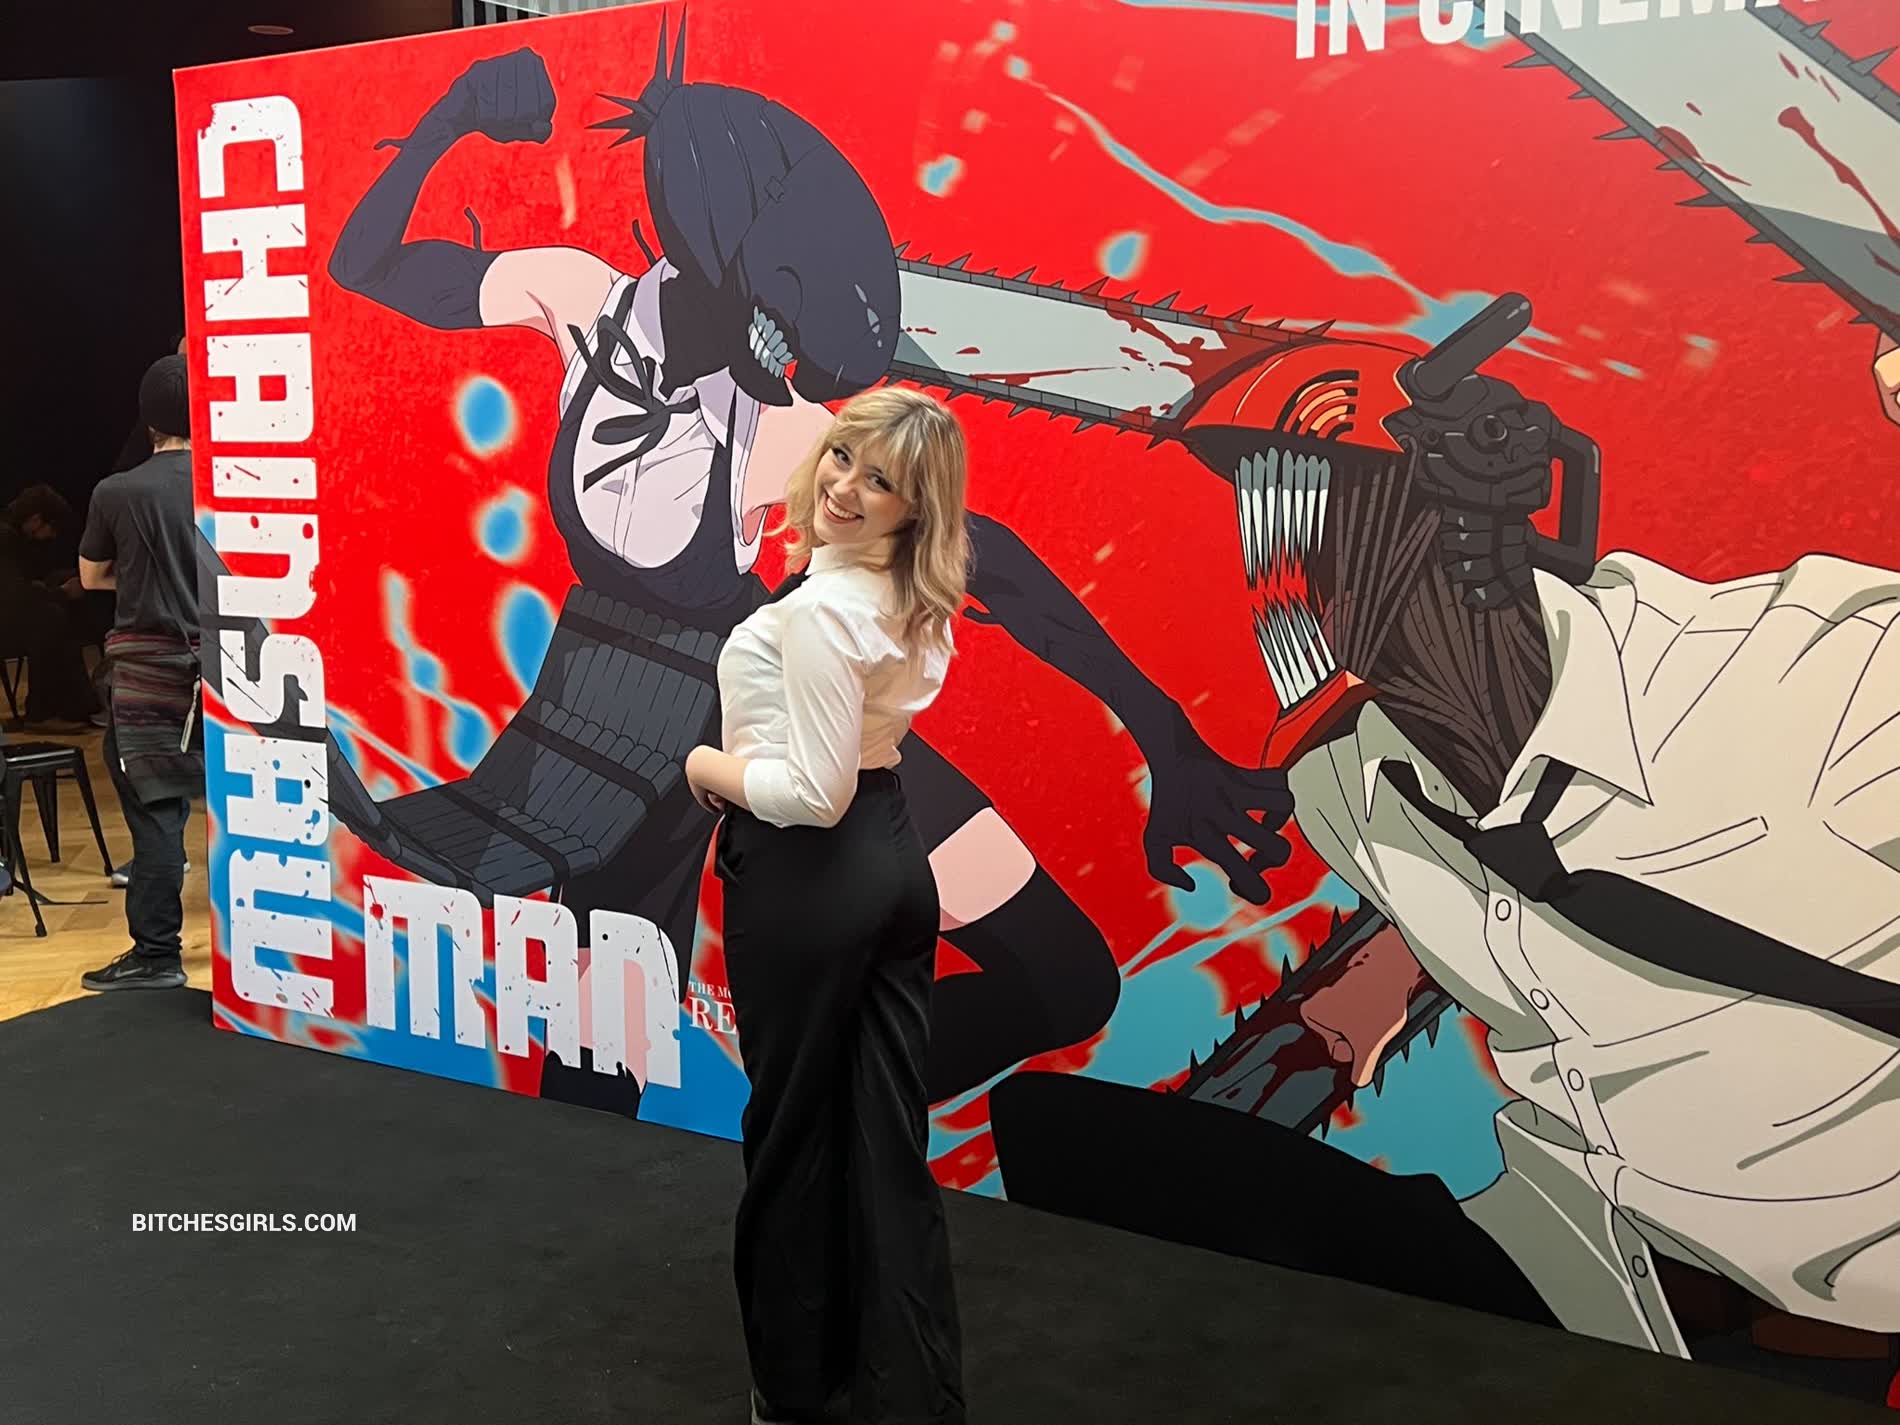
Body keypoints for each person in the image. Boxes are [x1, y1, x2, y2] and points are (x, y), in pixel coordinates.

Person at [686, 387, 970, 1425]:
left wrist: (705, 767)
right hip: (893, 861)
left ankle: (795, 1390)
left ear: (913, 508)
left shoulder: (818, 614)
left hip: (810, 873)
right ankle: (907, 1392)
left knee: (791, 1138)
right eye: (844, 455)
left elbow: (812, 793)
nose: (845, 486)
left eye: (880, 480)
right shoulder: (902, 596)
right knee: (885, 1141)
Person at [76, 355, 202, 992]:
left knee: (157, 815)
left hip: (147, 679)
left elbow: (92, 577)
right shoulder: (229, 483)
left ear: (147, 419)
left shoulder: (116, 491)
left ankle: (156, 953)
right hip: (231, 671)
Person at [0, 486, 103, 728]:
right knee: (51, 618)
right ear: (36, 519)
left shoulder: (16, 537)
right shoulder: (5, 538)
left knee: (57, 615)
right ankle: (42, 712)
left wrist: (58, 585)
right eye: (52, 528)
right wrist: (61, 592)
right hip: (7, 623)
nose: (52, 536)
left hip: (14, 615)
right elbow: (14, 594)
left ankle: (76, 705)